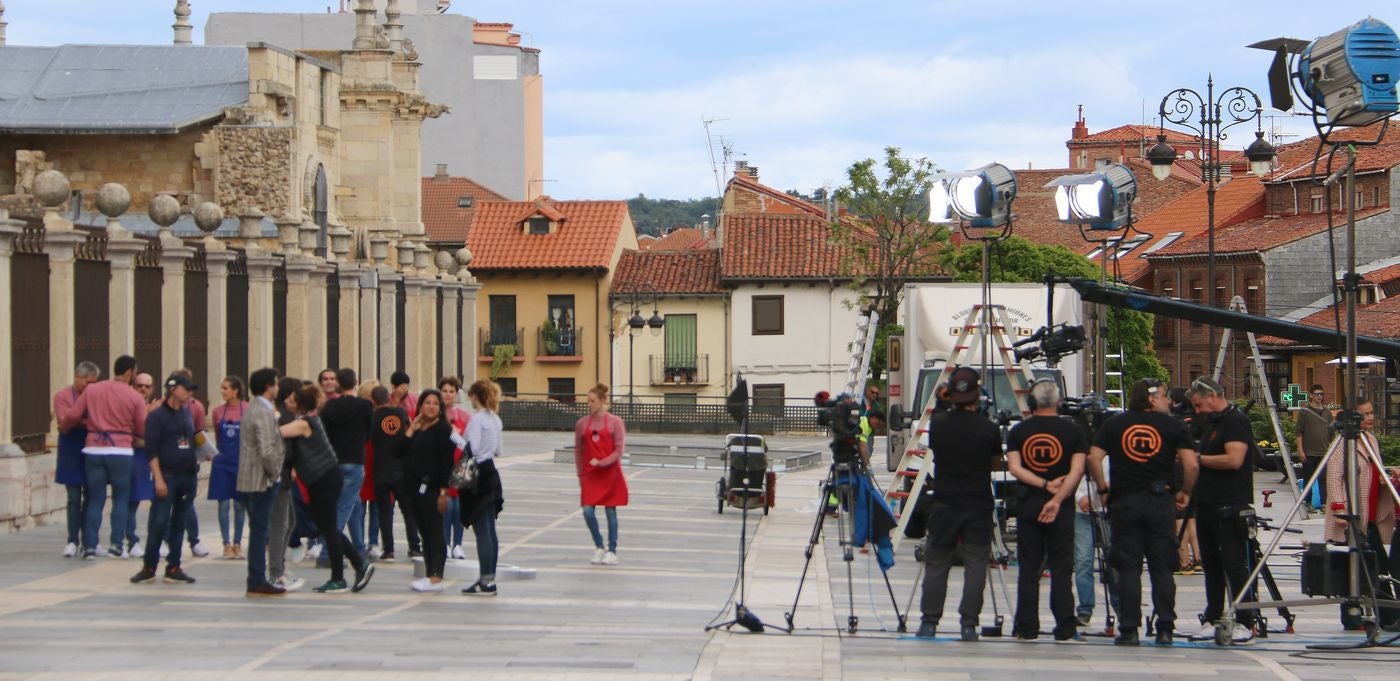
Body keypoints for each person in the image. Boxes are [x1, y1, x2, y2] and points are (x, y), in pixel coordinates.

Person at [1088, 378, 1198, 646]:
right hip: (1160, 501)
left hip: (1125, 502)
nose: (1168, 401)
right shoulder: (1173, 426)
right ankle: (1165, 627)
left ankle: (1129, 629)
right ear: (1150, 399)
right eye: (1162, 396)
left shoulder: (1115, 424)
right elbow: (1191, 464)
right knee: (1162, 568)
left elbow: (1093, 457)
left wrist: (1103, 489)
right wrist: (1185, 492)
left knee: (1128, 568)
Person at [917, 367, 1002, 641]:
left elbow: (938, 422)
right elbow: (995, 463)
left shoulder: (939, 425)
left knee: (937, 561)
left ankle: (929, 621)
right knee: (976, 562)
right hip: (978, 502)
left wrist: (945, 399)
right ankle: (969, 623)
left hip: (945, 501)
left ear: (952, 394)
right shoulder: (989, 429)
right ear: (978, 393)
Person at [1006, 379, 1087, 642]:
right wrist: (1058, 499)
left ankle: (1027, 626)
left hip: (1029, 503)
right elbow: (1077, 470)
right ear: (1059, 402)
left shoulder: (1019, 431)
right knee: (1062, 567)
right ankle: (1065, 625)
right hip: (1061, 508)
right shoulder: (1073, 431)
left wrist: (1042, 485)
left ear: (1032, 402)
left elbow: (1015, 468)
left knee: (1029, 567)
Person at [280, 383, 375, 594]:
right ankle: (358, 567)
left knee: (328, 528)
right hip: (322, 479)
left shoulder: (305, 423)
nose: (287, 402)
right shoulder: (306, 420)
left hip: (324, 479)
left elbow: (277, 432)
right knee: (328, 527)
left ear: (300, 405)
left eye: (291, 400)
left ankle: (341, 576)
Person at [1186, 376, 1260, 644]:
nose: (1197, 411)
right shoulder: (1213, 424)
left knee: (1233, 562)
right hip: (1207, 503)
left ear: (1211, 397)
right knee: (1212, 564)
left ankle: (1244, 620)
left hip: (1229, 504)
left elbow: (1234, 459)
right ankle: (1213, 615)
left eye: (1198, 405)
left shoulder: (1235, 421)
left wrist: (1199, 458)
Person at [1322, 398, 1399, 629]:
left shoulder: (1371, 440)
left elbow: (1372, 471)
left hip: (1371, 515)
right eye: (1364, 414)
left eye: (1371, 412)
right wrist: (1339, 509)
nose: (1370, 418)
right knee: (1357, 565)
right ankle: (1358, 617)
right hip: (1352, 516)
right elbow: (1334, 477)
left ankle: (1387, 616)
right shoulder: (1342, 443)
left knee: (1377, 566)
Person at [62, 354, 146, 560]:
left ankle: (89, 546)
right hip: (121, 449)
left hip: (94, 449)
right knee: (120, 498)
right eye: (134, 373)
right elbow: (142, 427)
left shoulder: (92, 390)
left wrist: (64, 429)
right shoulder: (134, 396)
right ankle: (117, 545)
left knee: (95, 499)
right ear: (129, 373)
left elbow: (73, 415)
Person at [129, 373, 201, 585]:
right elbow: (151, 450)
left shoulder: (187, 413)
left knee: (180, 522)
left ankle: (174, 566)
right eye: (185, 389)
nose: (190, 393)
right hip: (167, 475)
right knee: (159, 521)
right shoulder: (157, 416)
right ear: (172, 389)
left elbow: (189, 439)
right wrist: (158, 479)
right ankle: (149, 566)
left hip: (187, 474)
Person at [238, 368, 288, 596]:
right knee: (260, 531)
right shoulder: (262, 411)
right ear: (269, 386)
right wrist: (276, 472)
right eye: (275, 384)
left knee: (259, 529)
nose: (277, 388)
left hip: (255, 478)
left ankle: (255, 577)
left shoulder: (256, 408)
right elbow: (266, 449)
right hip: (260, 480)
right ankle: (256, 578)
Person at [319, 368, 373, 561]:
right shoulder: (364, 406)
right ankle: (327, 552)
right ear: (356, 382)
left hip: (334, 461)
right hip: (355, 460)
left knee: (346, 505)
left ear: (338, 384)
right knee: (344, 508)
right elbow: (369, 432)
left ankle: (358, 546)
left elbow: (323, 433)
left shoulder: (329, 407)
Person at [406, 389, 455, 592]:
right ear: (420, 406)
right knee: (425, 532)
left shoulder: (444, 429)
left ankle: (436, 576)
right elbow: (400, 451)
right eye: (427, 402)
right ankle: (429, 573)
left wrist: (444, 492)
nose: (431, 406)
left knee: (435, 532)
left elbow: (447, 463)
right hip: (416, 487)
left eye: (436, 403)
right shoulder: (418, 427)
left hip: (434, 488)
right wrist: (411, 430)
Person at [574, 383, 628, 566]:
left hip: (610, 473)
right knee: (587, 511)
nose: (589, 404)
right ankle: (599, 546)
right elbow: (578, 450)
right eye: (588, 401)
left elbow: (619, 450)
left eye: (592, 401)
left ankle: (612, 550)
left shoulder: (615, 422)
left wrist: (603, 462)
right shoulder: (582, 423)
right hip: (590, 474)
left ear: (603, 401)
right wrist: (580, 473)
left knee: (610, 511)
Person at [460, 379, 505, 596]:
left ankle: (485, 580)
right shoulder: (495, 419)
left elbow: (473, 449)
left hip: (477, 474)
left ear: (475, 396)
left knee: (482, 530)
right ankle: (488, 577)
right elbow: (498, 450)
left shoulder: (476, 420)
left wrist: (455, 438)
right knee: (490, 527)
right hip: (492, 473)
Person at [53, 361, 100, 557]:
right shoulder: (62, 396)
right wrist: (84, 420)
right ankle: (72, 539)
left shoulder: (96, 395)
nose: (90, 386)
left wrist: (79, 420)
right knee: (73, 498)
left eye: (94, 383)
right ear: (77, 377)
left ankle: (90, 540)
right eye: (88, 382)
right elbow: (64, 420)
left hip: (91, 446)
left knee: (91, 496)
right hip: (70, 448)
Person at [267, 377, 307, 592]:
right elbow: (284, 448)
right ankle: (276, 572)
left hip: (285, 476)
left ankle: (279, 567)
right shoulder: (284, 415)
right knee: (280, 524)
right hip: (280, 475)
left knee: (289, 522)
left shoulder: (287, 413)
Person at [369, 385, 413, 563]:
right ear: (388, 398)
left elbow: (369, 438)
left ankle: (389, 550)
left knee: (384, 511)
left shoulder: (372, 417)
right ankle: (415, 547)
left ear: (373, 401)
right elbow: (410, 432)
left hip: (381, 468)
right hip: (401, 468)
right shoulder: (401, 414)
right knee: (408, 510)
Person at [210, 376, 249, 559]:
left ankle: (238, 543)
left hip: (242, 462)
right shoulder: (217, 412)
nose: (223, 391)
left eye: (226, 388)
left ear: (236, 390)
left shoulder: (247, 409)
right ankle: (226, 544)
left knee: (240, 505)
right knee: (223, 504)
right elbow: (218, 437)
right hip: (223, 462)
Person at [125, 373, 158, 559]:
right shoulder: (130, 407)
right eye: (139, 385)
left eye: (147, 386)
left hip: (154, 459)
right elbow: (132, 438)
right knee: (132, 500)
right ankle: (132, 541)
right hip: (135, 458)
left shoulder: (158, 409)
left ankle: (158, 541)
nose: (143, 389)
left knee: (159, 501)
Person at [439, 376, 470, 560]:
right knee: (446, 507)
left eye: (452, 391)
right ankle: (445, 543)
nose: (448, 395)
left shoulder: (464, 417)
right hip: (441, 466)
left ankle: (458, 544)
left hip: (460, 466)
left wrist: (455, 437)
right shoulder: (434, 414)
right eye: (445, 391)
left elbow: (467, 444)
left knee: (459, 508)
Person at [1296, 384, 1333, 507]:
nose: (1319, 396)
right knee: (1308, 478)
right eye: (1317, 394)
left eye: (1321, 394)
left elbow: (1331, 433)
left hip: (1324, 451)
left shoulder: (1327, 412)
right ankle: (1307, 502)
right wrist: (1300, 450)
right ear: (1311, 395)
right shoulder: (1304, 411)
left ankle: (1324, 503)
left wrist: (1332, 449)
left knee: (1324, 479)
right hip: (1309, 452)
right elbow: (1299, 432)